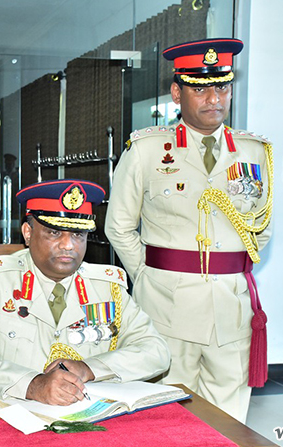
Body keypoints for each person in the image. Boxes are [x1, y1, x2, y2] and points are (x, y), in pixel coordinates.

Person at [104, 38, 273, 423]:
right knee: (166, 414)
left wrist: (230, 270)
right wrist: (148, 275)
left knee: (229, 417)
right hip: (167, 305)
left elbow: (261, 228)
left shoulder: (253, 152)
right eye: (201, 89)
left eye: (223, 87)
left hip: (231, 308)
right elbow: (119, 226)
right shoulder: (147, 149)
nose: (214, 98)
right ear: (177, 93)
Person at [0, 179, 170, 405]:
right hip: (15, 413)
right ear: (28, 233)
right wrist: (32, 385)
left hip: (90, 414)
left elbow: (156, 350)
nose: (68, 245)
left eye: (78, 234)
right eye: (54, 232)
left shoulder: (107, 286)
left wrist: (90, 368)